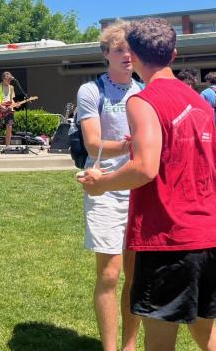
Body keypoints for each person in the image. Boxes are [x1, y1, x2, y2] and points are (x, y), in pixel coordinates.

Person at [78, 19, 216, 351]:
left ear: (134, 54)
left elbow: (145, 167)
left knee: (160, 342)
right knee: (206, 335)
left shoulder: (144, 100)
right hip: (212, 233)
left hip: (169, 237)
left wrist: (102, 182)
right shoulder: (200, 103)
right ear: (174, 54)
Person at [76, 21, 143, 351]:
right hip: (104, 189)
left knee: (135, 275)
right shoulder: (91, 91)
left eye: (130, 49)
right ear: (106, 54)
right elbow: (92, 144)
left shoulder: (144, 91)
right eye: (119, 50)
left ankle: (129, 345)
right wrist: (131, 145)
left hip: (140, 189)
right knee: (109, 274)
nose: (127, 55)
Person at [0, 72, 16, 151]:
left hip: (9, 110)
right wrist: (1, 106)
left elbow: (11, 100)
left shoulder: (11, 87)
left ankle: (7, 146)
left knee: (9, 126)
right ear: (4, 79)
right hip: (0, 109)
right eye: (8, 79)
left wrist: (15, 104)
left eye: (10, 79)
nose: (9, 81)